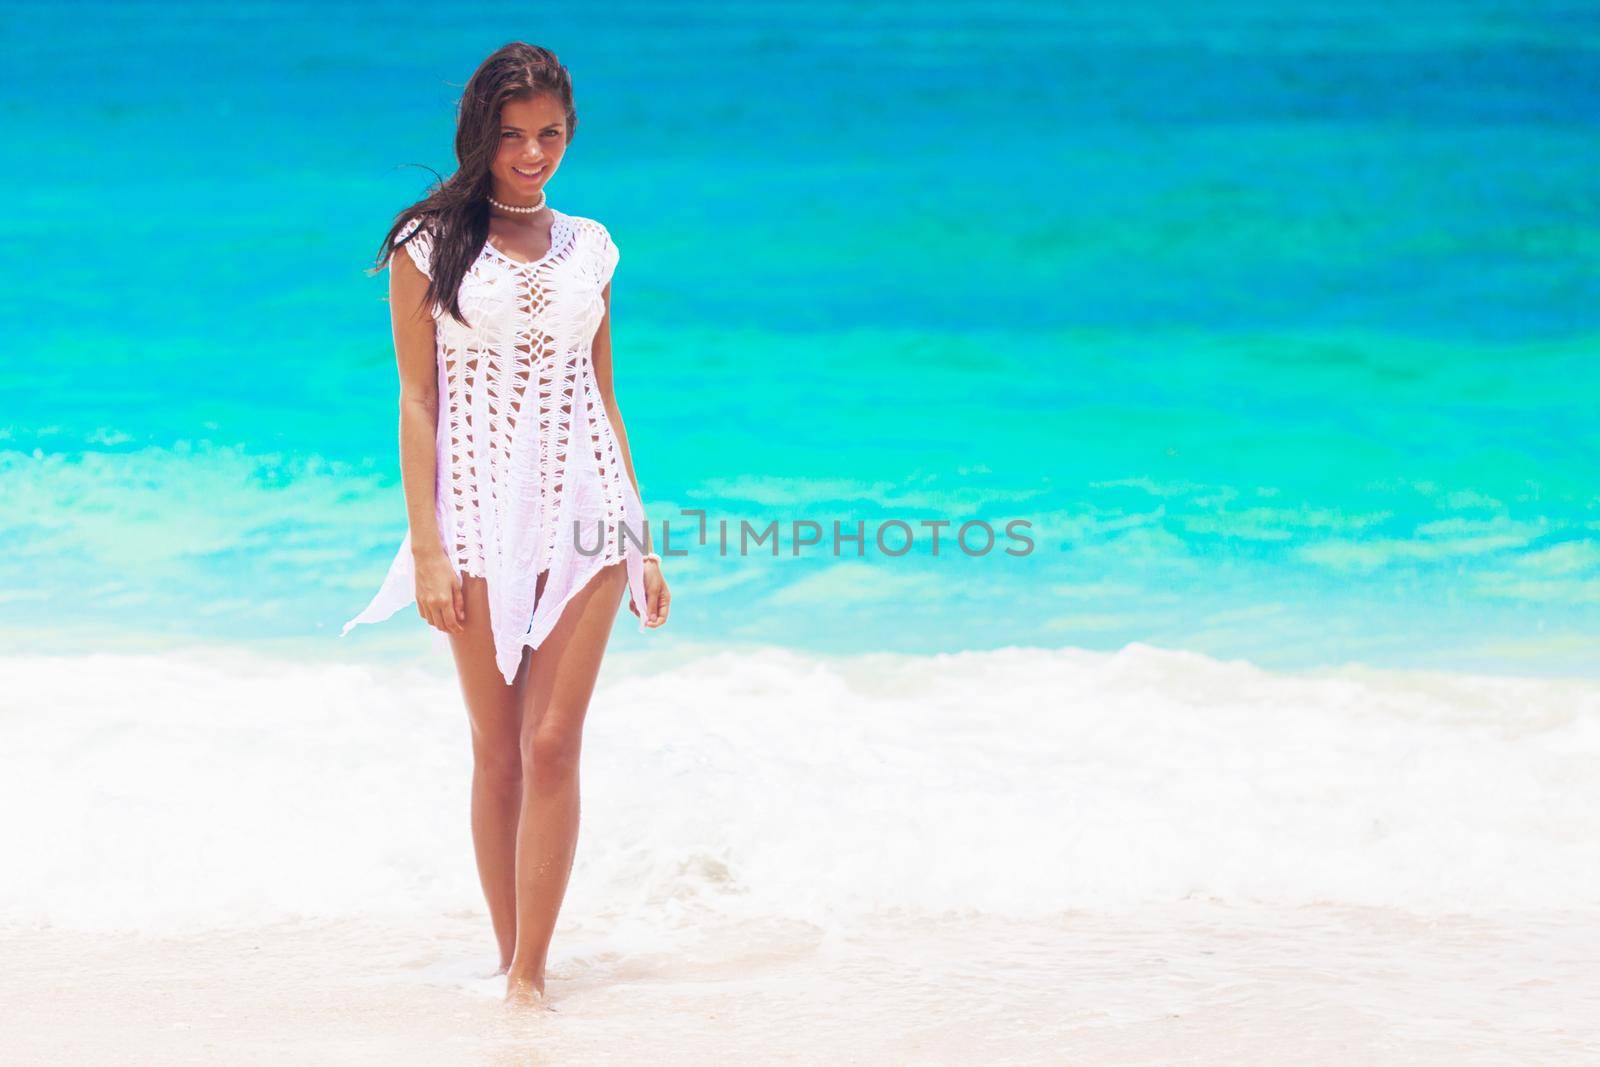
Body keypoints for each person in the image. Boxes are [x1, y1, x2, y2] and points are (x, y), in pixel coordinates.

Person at [340, 42, 670, 1009]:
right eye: (514, 134)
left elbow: (605, 396)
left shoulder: (595, 247)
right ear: (480, 134)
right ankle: (505, 955)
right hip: (478, 519)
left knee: (555, 742)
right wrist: (429, 546)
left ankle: (532, 977)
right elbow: (416, 399)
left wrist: (641, 535)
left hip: (589, 517)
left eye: (551, 134)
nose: (533, 153)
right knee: (498, 747)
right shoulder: (426, 244)